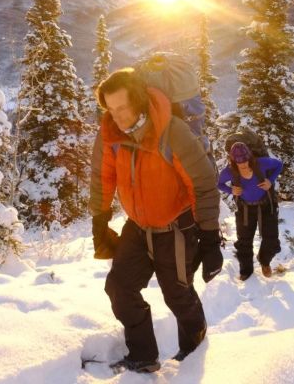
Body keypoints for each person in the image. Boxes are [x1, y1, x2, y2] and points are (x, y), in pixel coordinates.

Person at [90, 68, 222, 374]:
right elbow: (101, 176)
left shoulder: (171, 131)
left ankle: (194, 350)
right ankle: (143, 356)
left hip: (175, 227)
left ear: (137, 100)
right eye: (110, 109)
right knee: (119, 288)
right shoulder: (111, 133)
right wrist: (100, 218)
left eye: (122, 107)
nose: (117, 116)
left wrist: (210, 238)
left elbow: (202, 184)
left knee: (177, 293)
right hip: (137, 227)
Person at [218, 141, 283, 280]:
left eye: (246, 162)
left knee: (271, 240)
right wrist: (231, 190)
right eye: (239, 163)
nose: (243, 165)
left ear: (250, 158)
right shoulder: (230, 171)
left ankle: (264, 261)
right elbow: (219, 183)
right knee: (244, 242)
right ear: (234, 161)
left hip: (266, 206)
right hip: (245, 209)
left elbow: (279, 165)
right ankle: (246, 271)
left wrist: (270, 180)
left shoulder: (262, 163)